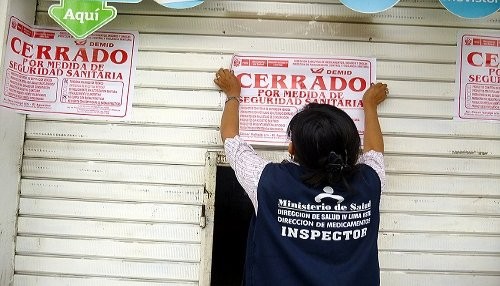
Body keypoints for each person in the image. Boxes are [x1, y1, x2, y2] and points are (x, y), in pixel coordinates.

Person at [214, 68, 388, 286]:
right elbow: (375, 152)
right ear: (351, 148)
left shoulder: (266, 181)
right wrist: (369, 107)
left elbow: (231, 140)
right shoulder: (369, 182)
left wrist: (233, 94)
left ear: (292, 148)